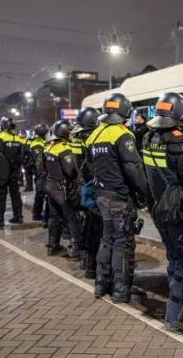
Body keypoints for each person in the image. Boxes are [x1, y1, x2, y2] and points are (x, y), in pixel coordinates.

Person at [142, 93, 183, 329]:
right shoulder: (179, 142)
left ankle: (178, 300)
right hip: (179, 211)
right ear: (181, 115)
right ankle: (177, 314)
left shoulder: (148, 138)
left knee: (174, 257)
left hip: (160, 210)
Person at [86, 93, 150, 303]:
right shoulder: (122, 135)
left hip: (102, 195)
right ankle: (121, 290)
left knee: (107, 238)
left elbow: (88, 166)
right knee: (122, 242)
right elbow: (133, 168)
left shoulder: (94, 135)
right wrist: (143, 193)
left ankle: (101, 284)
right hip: (120, 197)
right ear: (126, 112)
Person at [72, 107, 103, 279]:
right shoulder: (89, 138)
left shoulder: (76, 137)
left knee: (87, 224)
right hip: (90, 185)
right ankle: (93, 265)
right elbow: (91, 165)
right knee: (95, 227)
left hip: (80, 184)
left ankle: (85, 260)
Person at [44, 120, 79, 257]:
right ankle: (75, 245)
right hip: (61, 187)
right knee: (71, 216)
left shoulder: (49, 147)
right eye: (69, 132)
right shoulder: (64, 149)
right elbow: (70, 171)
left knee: (54, 216)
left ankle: (52, 244)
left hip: (50, 185)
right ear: (64, 133)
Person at [0, 117, 24, 227]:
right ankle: (18, 216)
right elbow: (21, 156)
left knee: (1, 195)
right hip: (14, 171)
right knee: (15, 194)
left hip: (3, 172)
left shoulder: (1, 137)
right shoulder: (18, 138)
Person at [30, 124, 50, 223]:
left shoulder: (45, 142)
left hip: (46, 172)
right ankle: (36, 214)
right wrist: (43, 174)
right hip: (41, 173)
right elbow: (39, 161)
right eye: (46, 133)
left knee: (46, 193)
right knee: (40, 193)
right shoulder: (36, 144)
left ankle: (44, 214)